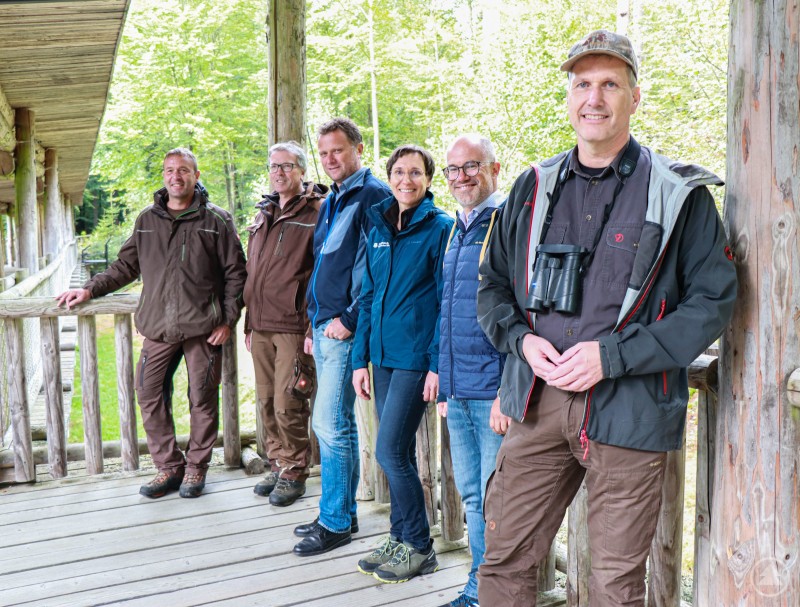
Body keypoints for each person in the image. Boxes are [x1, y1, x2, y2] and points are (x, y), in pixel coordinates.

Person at [475, 30, 737, 606]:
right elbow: (492, 286)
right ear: (569, 96)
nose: (594, 98)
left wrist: (612, 356)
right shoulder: (532, 187)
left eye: (610, 84)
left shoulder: (679, 195)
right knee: (503, 560)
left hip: (630, 412)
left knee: (614, 586)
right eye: (582, 84)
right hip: (536, 405)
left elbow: (712, 303)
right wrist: (521, 341)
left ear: (634, 98)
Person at [56, 148, 247, 499]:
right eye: (170, 170)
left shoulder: (216, 220)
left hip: (205, 326)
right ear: (164, 176)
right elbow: (125, 267)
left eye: (184, 170)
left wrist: (228, 320)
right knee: (146, 390)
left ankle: (195, 470)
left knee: (202, 397)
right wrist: (88, 289)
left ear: (196, 175)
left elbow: (237, 274)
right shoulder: (147, 220)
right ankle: (170, 467)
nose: (176, 176)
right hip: (159, 327)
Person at [351, 144, 453, 583]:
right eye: (398, 171)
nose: (405, 180)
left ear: (429, 179)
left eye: (415, 172)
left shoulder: (441, 228)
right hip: (382, 358)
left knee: (390, 449)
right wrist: (360, 359)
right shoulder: (377, 223)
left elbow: (446, 303)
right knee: (397, 452)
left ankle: (420, 546)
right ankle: (399, 536)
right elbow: (368, 296)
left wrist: (436, 365)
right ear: (389, 176)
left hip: (415, 358)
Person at [292, 118, 391, 556]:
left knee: (328, 423)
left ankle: (333, 522)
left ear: (358, 149)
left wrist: (349, 318)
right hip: (325, 326)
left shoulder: (373, 195)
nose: (331, 159)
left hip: (344, 327)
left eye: (339, 150)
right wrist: (315, 321)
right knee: (337, 423)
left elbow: (377, 268)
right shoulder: (334, 198)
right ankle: (342, 512)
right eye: (325, 152)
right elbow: (325, 265)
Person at [436, 134, 510, 607]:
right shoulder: (456, 229)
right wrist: (444, 382)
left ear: (494, 169)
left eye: (471, 166)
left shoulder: (506, 223)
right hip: (459, 388)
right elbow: (447, 312)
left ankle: (489, 593)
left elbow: (524, 312)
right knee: (469, 496)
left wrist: (509, 390)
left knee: (492, 500)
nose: (461, 176)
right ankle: (477, 587)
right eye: (453, 170)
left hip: (493, 393)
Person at [244, 141, 327, 507]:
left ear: (302, 171)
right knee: (265, 400)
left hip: (294, 323)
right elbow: (253, 272)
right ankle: (278, 463)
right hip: (260, 323)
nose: (279, 173)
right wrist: (248, 322)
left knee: (289, 400)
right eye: (274, 166)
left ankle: (295, 469)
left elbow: (323, 272)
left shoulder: (316, 212)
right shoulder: (264, 212)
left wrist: (312, 327)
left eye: (287, 166)